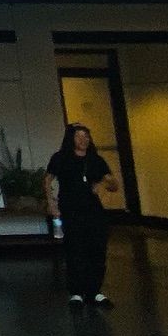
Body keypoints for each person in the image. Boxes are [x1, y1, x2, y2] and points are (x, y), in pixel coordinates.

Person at [44, 123, 119, 308]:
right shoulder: (60, 158)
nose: (83, 140)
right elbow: (47, 180)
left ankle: (95, 291)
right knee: (75, 250)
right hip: (70, 209)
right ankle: (76, 292)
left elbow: (113, 184)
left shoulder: (96, 160)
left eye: (86, 137)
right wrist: (51, 203)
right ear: (71, 139)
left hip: (93, 210)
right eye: (79, 136)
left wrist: (104, 183)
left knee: (97, 249)